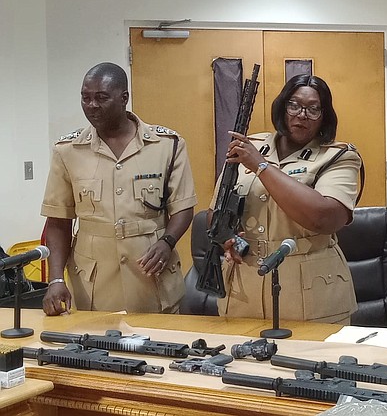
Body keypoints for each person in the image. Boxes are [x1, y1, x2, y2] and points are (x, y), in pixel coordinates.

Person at [41, 62, 196, 315]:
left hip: (151, 276)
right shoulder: (67, 151)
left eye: (101, 98)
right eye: (85, 97)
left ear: (124, 98)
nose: (92, 105)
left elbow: (183, 206)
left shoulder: (167, 145)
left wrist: (168, 242)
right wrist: (56, 279)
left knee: (162, 345)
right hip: (94, 283)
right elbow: (58, 221)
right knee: (95, 349)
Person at [209, 74, 362, 324]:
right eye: (294, 105)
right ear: (282, 107)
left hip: (312, 294)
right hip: (244, 291)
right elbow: (215, 213)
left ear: (324, 117)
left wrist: (261, 166)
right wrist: (230, 240)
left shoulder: (338, 157)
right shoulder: (251, 145)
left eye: (313, 109)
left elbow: (324, 217)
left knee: (312, 362)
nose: (302, 115)